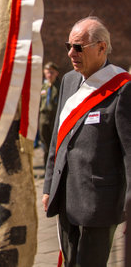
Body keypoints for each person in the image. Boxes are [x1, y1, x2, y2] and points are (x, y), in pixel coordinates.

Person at [42, 16, 131, 266]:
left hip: (100, 201)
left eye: (79, 47)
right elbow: (57, 140)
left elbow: (130, 152)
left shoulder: (122, 88)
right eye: (68, 46)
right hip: (65, 196)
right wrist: (49, 184)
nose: (71, 53)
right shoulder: (69, 81)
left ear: (102, 47)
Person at [38, 61, 60, 165]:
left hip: (55, 117)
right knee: (45, 144)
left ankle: (56, 166)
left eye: (51, 72)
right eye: (47, 72)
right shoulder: (43, 87)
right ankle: (47, 168)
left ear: (56, 73)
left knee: (55, 144)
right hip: (43, 117)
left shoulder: (59, 87)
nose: (49, 75)